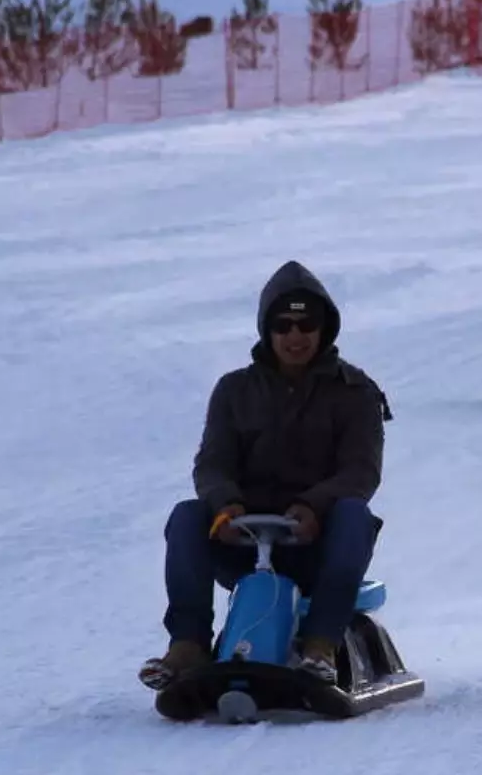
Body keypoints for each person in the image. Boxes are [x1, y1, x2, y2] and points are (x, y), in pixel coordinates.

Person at [139, 260, 392, 696]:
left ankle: (320, 646)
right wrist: (226, 505)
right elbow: (212, 463)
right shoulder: (235, 391)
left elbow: (361, 471)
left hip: (318, 544)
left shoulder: (355, 392)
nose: (295, 336)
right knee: (187, 516)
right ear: (267, 330)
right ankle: (188, 646)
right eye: (284, 325)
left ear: (324, 329)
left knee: (354, 514)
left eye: (306, 324)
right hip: (243, 540)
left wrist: (314, 506)